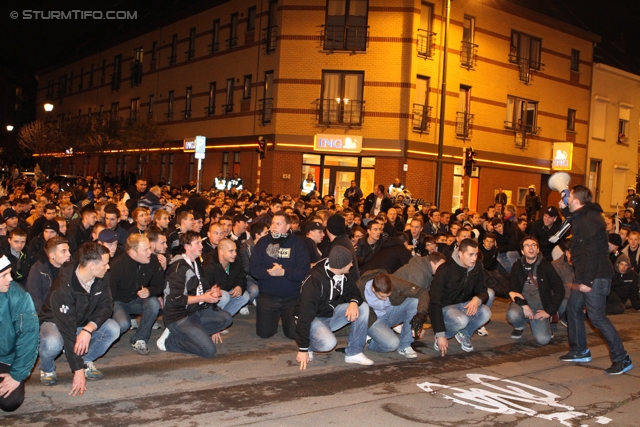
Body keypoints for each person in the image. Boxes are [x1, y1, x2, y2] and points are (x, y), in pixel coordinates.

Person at [559, 185, 633, 375]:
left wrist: (587, 281)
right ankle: (579, 350)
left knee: (597, 318)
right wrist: (564, 209)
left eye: (570, 199)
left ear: (576, 201)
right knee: (573, 308)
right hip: (586, 274)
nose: (568, 200)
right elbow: (574, 217)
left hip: (596, 276)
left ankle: (621, 358)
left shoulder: (590, 220)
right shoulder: (585, 214)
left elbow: (593, 253)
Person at [38, 243, 119, 395]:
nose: (108, 267)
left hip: (82, 320)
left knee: (113, 328)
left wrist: (89, 329)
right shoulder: (62, 289)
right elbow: (67, 331)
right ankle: (47, 368)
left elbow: (107, 305)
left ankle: (85, 360)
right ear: (91, 266)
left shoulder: (101, 277)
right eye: (105, 264)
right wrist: (77, 371)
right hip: (55, 321)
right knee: (53, 343)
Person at [294, 246, 373, 369]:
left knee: (362, 307)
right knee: (329, 343)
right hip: (312, 319)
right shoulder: (314, 282)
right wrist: (303, 348)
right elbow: (304, 316)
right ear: (341, 266)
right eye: (350, 262)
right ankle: (310, 345)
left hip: (329, 313)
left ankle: (354, 352)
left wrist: (353, 302)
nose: (352, 265)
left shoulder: (341, 273)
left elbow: (354, 292)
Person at [158, 231, 232, 357]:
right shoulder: (178, 269)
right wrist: (203, 297)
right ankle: (169, 341)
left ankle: (192, 335)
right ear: (186, 246)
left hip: (195, 311)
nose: (201, 246)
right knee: (209, 351)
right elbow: (175, 300)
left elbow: (202, 285)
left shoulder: (195, 262)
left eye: (201, 243)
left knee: (226, 319)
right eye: (197, 243)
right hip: (178, 317)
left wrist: (211, 292)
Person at [250, 212, 310, 339]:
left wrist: (284, 272)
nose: (274, 226)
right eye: (273, 223)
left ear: (288, 226)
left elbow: (303, 271)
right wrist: (270, 272)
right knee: (264, 334)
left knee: (294, 335)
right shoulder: (263, 243)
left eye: (278, 223)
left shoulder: (298, 244)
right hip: (268, 296)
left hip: (292, 298)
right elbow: (254, 268)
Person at [429, 239, 491, 355]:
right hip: (446, 308)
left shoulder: (477, 267)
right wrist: (440, 335)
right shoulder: (445, 269)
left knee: (486, 313)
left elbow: (483, 290)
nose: (474, 258)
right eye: (470, 254)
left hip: (464, 305)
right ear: (460, 254)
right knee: (462, 320)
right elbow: (434, 302)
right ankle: (444, 336)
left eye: (476, 254)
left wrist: (477, 299)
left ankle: (464, 334)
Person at [110, 235, 164, 355]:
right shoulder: (117, 266)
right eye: (145, 249)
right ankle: (110, 335)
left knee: (154, 303)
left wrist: (149, 291)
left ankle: (140, 339)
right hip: (118, 302)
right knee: (123, 324)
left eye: (149, 248)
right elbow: (109, 296)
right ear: (133, 253)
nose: (150, 252)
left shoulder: (153, 261)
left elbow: (160, 286)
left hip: (137, 300)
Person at [357, 271, 429, 358]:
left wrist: (421, 314)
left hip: (390, 312)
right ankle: (370, 342)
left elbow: (422, 292)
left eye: (388, 295)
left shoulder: (394, 281)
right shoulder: (360, 288)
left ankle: (405, 345)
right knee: (392, 344)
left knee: (415, 301)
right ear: (373, 289)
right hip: (373, 320)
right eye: (381, 296)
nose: (385, 299)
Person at [507, 236, 565, 345]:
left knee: (543, 340)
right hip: (522, 304)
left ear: (538, 250)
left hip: (540, 307)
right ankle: (520, 325)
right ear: (522, 251)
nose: (531, 248)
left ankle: (543, 323)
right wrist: (525, 306)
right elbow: (513, 289)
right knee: (512, 314)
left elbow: (560, 289)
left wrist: (548, 311)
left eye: (534, 245)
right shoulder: (517, 266)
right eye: (527, 245)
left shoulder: (546, 266)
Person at [0, 255, 39, 412]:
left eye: (10, 273)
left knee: (10, 401)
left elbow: (28, 337)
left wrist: (16, 375)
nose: (10, 278)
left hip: (7, 357)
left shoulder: (19, 296)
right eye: (3, 275)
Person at [202, 238, 250, 317]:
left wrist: (239, 286)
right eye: (231, 251)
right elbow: (206, 287)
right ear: (221, 252)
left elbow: (241, 277)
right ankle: (212, 319)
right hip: (211, 295)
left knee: (244, 296)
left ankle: (222, 320)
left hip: (227, 289)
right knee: (224, 296)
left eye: (235, 250)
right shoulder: (209, 265)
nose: (235, 254)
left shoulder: (236, 260)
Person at [26, 236, 71, 313]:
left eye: (68, 250)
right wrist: (46, 316)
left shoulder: (73, 267)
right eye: (64, 251)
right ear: (51, 255)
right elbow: (35, 299)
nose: (69, 254)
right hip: (47, 314)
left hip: (69, 312)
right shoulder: (38, 270)